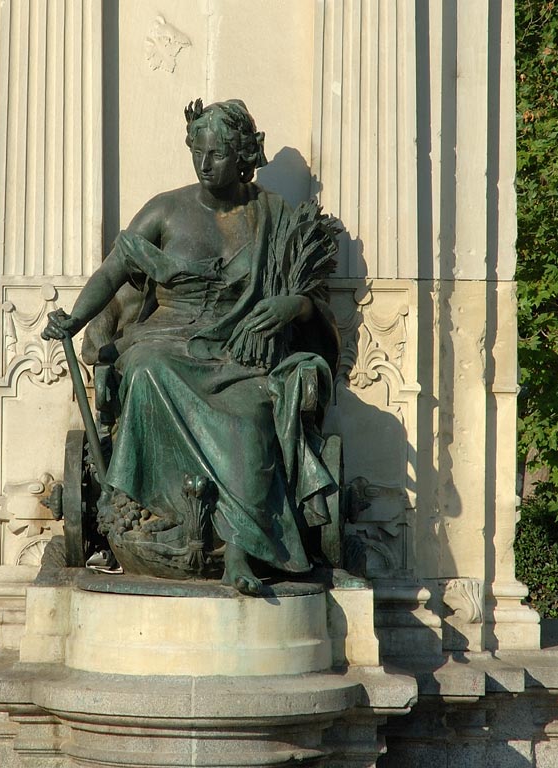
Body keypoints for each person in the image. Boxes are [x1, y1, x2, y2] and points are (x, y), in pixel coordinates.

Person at [42, 99, 341, 594]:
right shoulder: (165, 210)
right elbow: (113, 271)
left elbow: (315, 305)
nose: (205, 163)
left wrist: (293, 307)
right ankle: (165, 517)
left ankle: (238, 550)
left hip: (238, 354)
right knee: (145, 370)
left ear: (243, 156)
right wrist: (75, 319)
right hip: (164, 342)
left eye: (218, 154)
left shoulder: (276, 218)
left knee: (251, 415)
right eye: (197, 151)